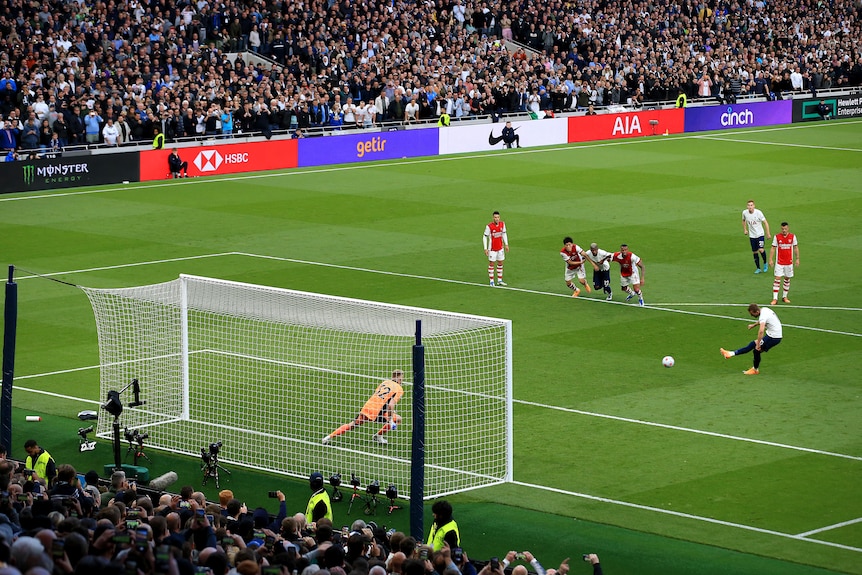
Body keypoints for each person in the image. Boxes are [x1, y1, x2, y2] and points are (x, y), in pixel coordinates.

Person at [322, 370, 404, 444]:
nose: (402, 381)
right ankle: (378, 435)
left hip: (368, 407)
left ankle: (328, 437)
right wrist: (390, 420)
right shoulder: (399, 389)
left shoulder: (385, 382)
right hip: (378, 412)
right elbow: (390, 405)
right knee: (397, 419)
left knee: (352, 425)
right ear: (399, 379)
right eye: (402, 379)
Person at [720, 303, 782, 375]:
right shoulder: (764, 310)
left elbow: (761, 331)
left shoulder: (762, 316)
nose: (751, 315)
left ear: (757, 312)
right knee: (752, 344)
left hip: (773, 337)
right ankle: (730, 354)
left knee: (756, 350)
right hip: (773, 335)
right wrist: (754, 325)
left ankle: (755, 370)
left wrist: (758, 344)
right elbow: (763, 320)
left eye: (752, 314)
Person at [769, 222, 799, 304]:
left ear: (788, 228)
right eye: (782, 229)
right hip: (779, 262)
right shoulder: (777, 237)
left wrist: (797, 259)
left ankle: (784, 297)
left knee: (787, 279)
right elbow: (773, 248)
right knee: (777, 278)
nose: (784, 230)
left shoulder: (792, 237)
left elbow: (795, 248)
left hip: (789, 262)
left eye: (785, 229)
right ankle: (775, 298)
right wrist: (770, 259)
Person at [742, 200, 771, 274]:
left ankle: (765, 263)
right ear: (747, 206)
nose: (750, 207)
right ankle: (758, 268)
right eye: (749, 205)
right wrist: (745, 229)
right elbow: (743, 220)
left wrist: (768, 233)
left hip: (760, 234)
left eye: (751, 205)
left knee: (761, 250)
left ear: (754, 206)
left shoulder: (758, 213)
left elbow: (765, 223)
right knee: (754, 252)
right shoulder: (744, 213)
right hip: (752, 236)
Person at [483, 211, 509, 286]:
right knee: (492, 263)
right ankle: (491, 281)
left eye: (498, 217)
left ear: (499, 217)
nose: (497, 219)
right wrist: (485, 248)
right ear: (493, 218)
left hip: (500, 248)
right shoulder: (489, 226)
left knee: (500, 262)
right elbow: (484, 236)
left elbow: (504, 234)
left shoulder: (502, 224)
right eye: (495, 217)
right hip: (492, 249)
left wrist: (506, 244)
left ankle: (499, 280)